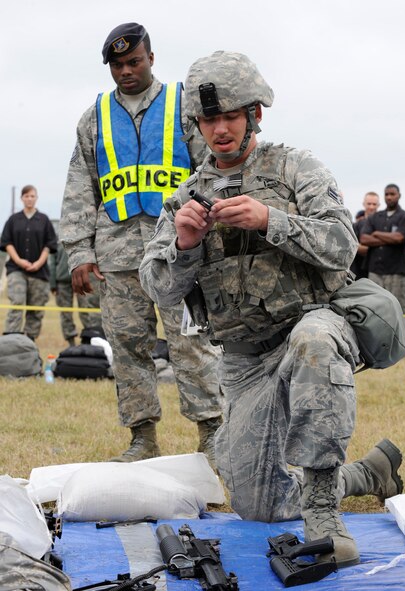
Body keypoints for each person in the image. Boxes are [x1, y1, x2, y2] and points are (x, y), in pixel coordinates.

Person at [139, 50, 404, 568]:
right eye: (209, 119)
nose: (219, 129)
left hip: (312, 325)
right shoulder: (187, 196)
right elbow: (160, 290)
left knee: (315, 341)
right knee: (258, 507)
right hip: (242, 362)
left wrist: (270, 220)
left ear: (254, 114)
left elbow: (341, 245)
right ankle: (367, 474)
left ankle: (325, 511)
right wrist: (186, 245)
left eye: (230, 116)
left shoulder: (295, 168)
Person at [60, 23, 222, 463]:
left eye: (134, 61)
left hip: (178, 251)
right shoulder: (93, 117)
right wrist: (79, 251)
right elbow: (80, 186)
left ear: (151, 57)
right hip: (116, 256)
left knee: (191, 343)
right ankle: (142, 438)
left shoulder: (182, 105)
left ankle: (212, 434)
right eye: (117, 64)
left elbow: (212, 167)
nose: (126, 71)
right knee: (129, 348)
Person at [0, 185, 57, 340]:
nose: (29, 199)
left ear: (36, 198)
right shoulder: (13, 220)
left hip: (39, 271)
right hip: (16, 269)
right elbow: (6, 242)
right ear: (22, 198)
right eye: (26, 196)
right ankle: (11, 339)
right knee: (17, 303)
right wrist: (19, 261)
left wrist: (38, 263)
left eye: (32, 196)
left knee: (36, 308)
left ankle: (28, 342)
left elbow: (50, 245)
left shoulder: (44, 220)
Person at [360, 184, 405, 313]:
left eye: (392, 194)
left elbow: (399, 238)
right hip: (375, 272)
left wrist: (377, 233)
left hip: (396, 273)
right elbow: (363, 239)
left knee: (397, 310)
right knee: (374, 310)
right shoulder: (375, 217)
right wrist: (389, 239)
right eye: (386, 194)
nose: (389, 197)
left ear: (399, 195)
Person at [49, 239, 102, 347]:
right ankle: (71, 343)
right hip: (62, 281)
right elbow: (52, 262)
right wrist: (52, 283)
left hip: (83, 279)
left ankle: (90, 339)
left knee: (87, 310)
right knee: (65, 313)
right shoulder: (57, 240)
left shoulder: (84, 237)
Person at [350, 192, 380, 279]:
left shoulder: (383, 225)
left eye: (374, 204)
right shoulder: (356, 225)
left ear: (378, 205)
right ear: (364, 204)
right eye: (369, 204)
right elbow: (352, 246)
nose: (371, 207)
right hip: (358, 271)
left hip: (378, 271)